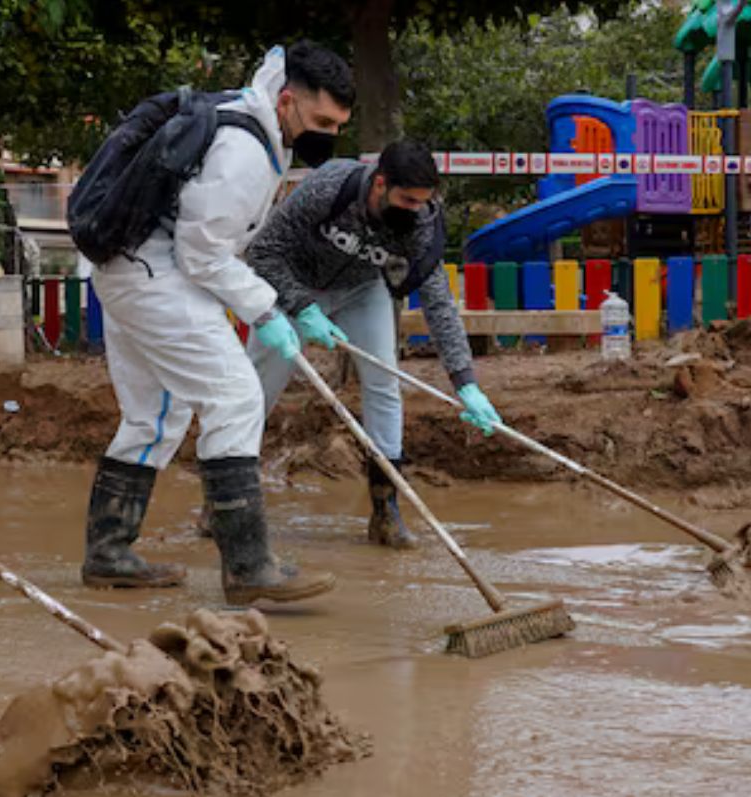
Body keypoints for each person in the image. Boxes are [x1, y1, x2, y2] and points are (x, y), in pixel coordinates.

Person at [82, 41, 353, 604]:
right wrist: (267, 312)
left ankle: (108, 555)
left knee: (157, 413)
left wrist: (289, 308)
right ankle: (249, 566)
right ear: (287, 101)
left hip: (127, 268)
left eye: (339, 124)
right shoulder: (246, 150)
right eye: (322, 120)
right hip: (154, 274)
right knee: (236, 398)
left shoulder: (249, 123)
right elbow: (202, 253)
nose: (328, 134)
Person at [245, 139, 502, 549]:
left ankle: (386, 510)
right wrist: (301, 306)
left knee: (385, 381)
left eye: (423, 201)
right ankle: (226, 500)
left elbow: (438, 303)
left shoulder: (422, 222)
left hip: (361, 291)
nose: (414, 209)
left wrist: (465, 381)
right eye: (406, 199)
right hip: (291, 285)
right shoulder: (329, 188)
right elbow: (263, 251)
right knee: (256, 390)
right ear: (380, 184)